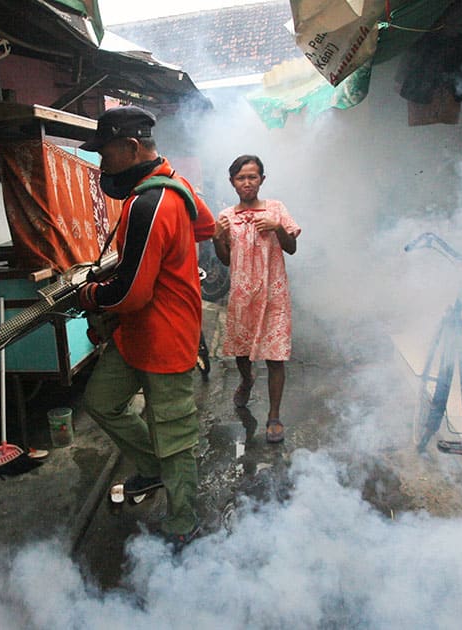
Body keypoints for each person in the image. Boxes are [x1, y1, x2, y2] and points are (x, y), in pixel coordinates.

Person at [76, 105, 215, 551]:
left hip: (166, 336)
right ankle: (151, 468)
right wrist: (156, 256)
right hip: (135, 336)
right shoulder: (176, 184)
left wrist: (90, 294)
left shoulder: (149, 201)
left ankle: (183, 520)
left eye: (106, 153)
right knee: (102, 402)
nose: (103, 164)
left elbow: (129, 295)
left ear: (131, 147)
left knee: (173, 433)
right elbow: (206, 225)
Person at [213, 155, 300, 444]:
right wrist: (217, 238)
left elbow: (292, 249)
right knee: (241, 351)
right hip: (241, 296)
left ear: (262, 179)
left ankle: (274, 416)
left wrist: (276, 227)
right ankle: (247, 380)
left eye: (252, 177)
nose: (247, 182)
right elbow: (225, 261)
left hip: (273, 295)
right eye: (241, 178)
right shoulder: (226, 216)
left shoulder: (276, 209)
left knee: (275, 357)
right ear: (232, 182)